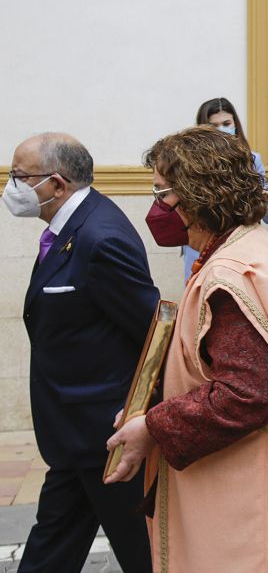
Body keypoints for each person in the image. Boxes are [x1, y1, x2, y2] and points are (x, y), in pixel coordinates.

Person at [105, 126, 268, 572]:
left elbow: (249, 391)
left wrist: (153, 426)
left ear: (197, 193)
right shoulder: (257, 248)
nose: (157, 207)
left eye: (162, 192)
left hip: (242, 502)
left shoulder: (230, 274)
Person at [5, 133, 156, 572]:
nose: (11, 187)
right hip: (73, 437)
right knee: (52, 547)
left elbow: (150, 330)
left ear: (56, 184)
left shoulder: (100, 237)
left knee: (143, 553)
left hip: (105, 438)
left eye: (19, 177)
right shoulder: (69, 227)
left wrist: (139, 416)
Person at [184, 97, 268, 280]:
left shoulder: (251, 160)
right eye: (214, 126)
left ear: (235, 124)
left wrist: (262, 198)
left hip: (241, 247)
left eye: (226, 123)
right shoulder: (190, 164)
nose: (222, 130)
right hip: (201, 248)